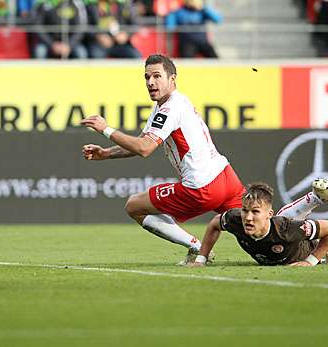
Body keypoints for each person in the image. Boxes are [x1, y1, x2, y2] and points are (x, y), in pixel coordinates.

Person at [81, 54, 245, 263]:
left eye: (157, 76)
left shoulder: (169, 109)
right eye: (147, 77)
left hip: (202, 187)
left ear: (172, 79)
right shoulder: (173, 102)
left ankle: (197, 247)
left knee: (134, 206)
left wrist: (106, 130)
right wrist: (105, 154)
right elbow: (141, 141)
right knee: (256, 226)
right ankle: (293, 244)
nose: (151, 82)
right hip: (226, 176)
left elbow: (144, 148)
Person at [189, 180, 328, 267]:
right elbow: (214, 223)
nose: (248, 217)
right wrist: (201, 259)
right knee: (282, 221)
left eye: (255, 212)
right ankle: (315, 197)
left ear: (269, 213)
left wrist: (310, 261)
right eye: (245, 210)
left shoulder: (285, 229)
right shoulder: (235, 219)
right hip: (281, 227)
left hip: (304, 250)